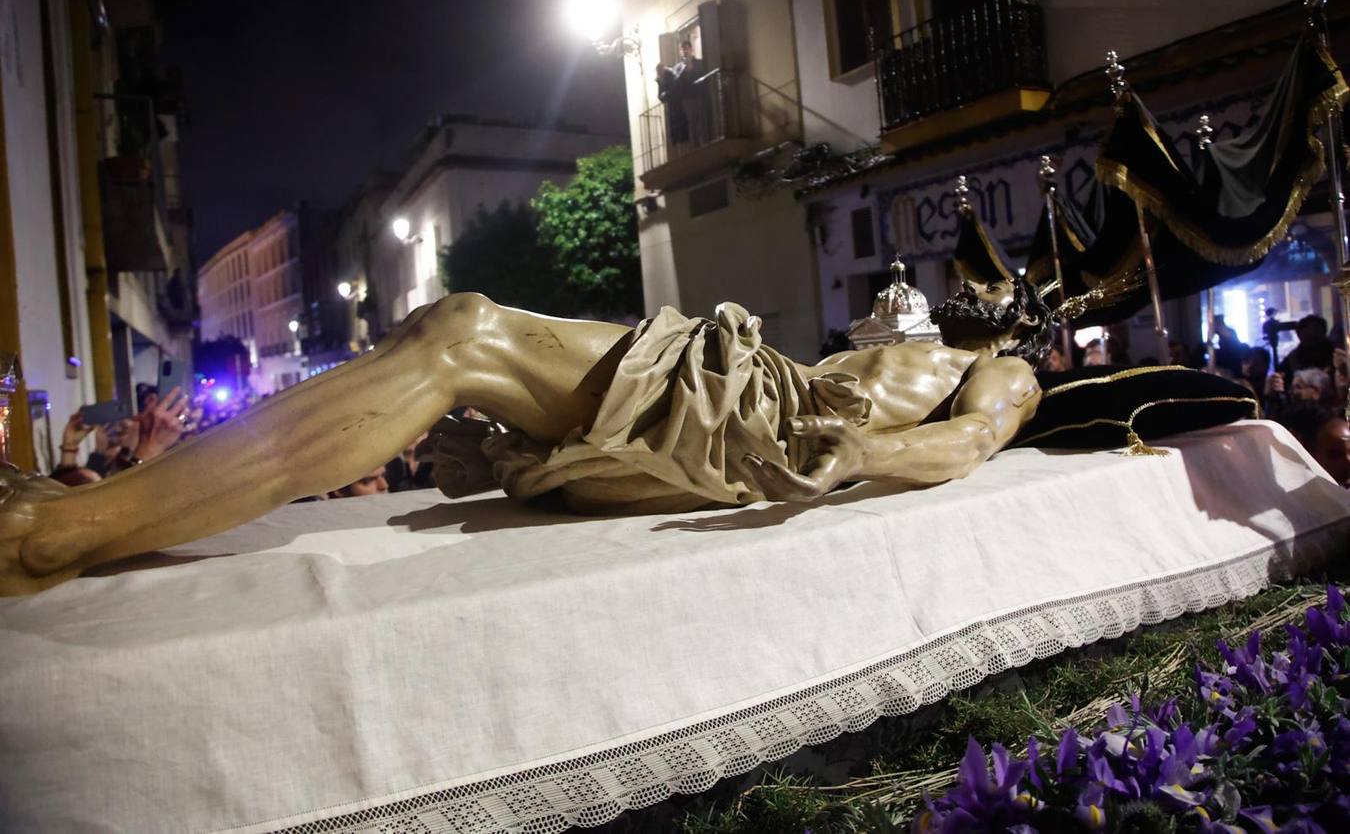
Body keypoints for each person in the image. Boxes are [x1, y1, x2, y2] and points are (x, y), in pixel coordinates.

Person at [0, 283, 1050, 594]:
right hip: (743, 394)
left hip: (766, 423)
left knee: (463, 334)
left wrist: (864, 457)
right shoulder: (896, 343)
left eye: (991, 288)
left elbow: (965, 448)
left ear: (1014, 322)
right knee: (458, 339)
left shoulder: (998, 368)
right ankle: (74, 519)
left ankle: (60, 535)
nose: (968, 289)